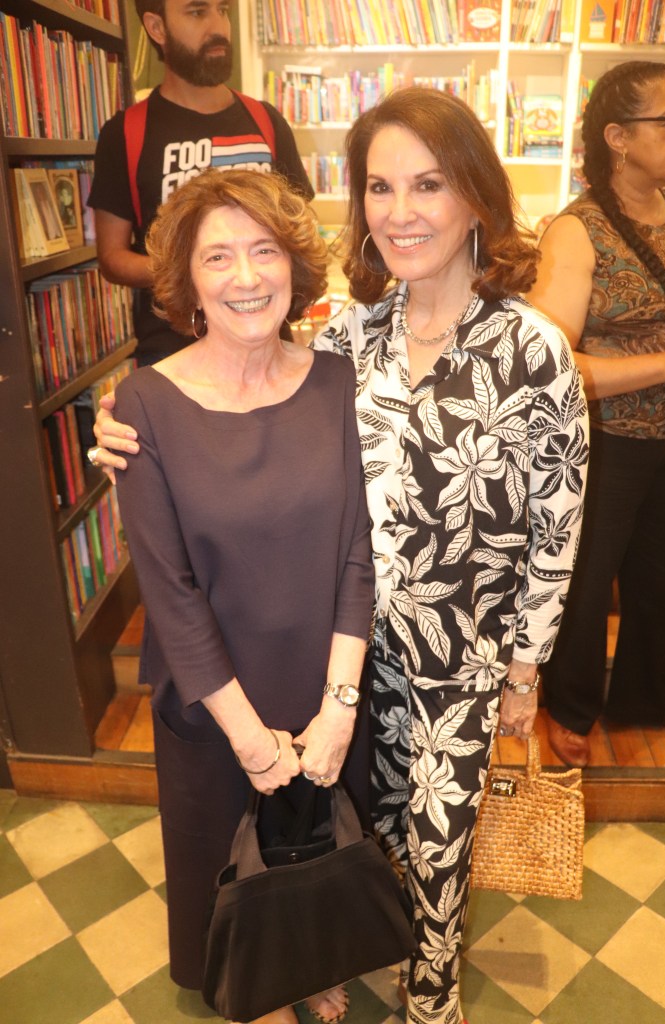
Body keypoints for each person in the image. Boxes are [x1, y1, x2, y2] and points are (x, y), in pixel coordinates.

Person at [91, 89, 589, 1024]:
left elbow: (555, 531)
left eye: (428, 185)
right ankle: (323, 956)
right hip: (346, 661)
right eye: (379, 188)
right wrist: (123, 421)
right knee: (343, 843)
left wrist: (524, 672)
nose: (401, 212)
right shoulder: (348, 341)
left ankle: (430, 1001)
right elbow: (245, 397)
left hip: (452, 671)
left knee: (437, 862)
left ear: (475, 197)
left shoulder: (532, 351)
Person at [104, 167, 374, 1024]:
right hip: (214, 696)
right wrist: (250, 739)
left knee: (317, 848)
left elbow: (359, 556)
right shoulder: (143, 405)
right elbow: (170, 591)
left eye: (264, 250)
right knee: (225, 864)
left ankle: (310, 963)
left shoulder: (339, 383)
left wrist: (338, 709)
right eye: (217, 257)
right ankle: (253, 988)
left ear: (294, 264)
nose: (246, 276)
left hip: (323, 681)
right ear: (186, 281)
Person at [526, 61, 665, 768]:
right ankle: (569, 706)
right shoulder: (575, 230)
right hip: (603, 443)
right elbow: (551, 364)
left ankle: (651, 695)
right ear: (618, 137)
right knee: (586, 584)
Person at [88, 0, 313, 366]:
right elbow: (112, 259)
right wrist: (196, 268)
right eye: (197, 12)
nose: (218, 27)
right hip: (172, 353)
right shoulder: (125, 134)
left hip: (269, 347)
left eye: (223, 10)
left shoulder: (267, 122)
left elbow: (301, 235)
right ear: (157, 28)